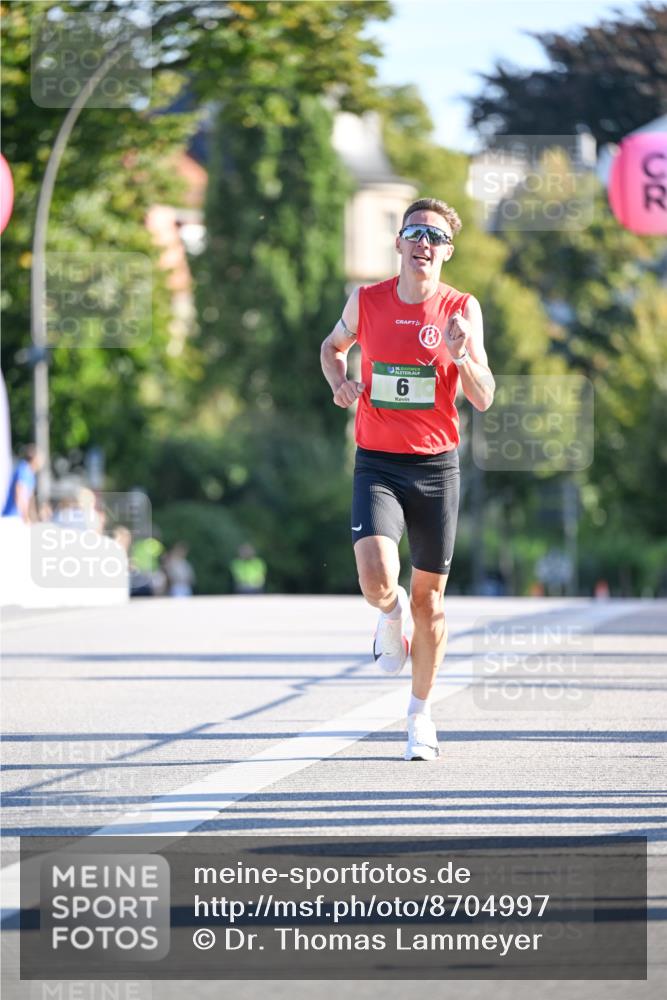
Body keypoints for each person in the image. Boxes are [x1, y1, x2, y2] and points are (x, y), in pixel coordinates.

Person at [320, 198, 495, 761]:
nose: (425, 243)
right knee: (376, 577)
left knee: (433, 603)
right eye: (416, 232)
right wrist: (340, 381)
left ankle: (420, 718)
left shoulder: (461, 309)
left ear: (447, 251)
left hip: (437, 469)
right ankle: (387, 617)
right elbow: (331, 348)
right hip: (377, 461)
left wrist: (461, 354)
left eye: (436, 237)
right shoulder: (366, 300)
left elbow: (484, 397)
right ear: (398, 243)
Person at [1, 444, 43, 523]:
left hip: (18, 517)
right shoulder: (24, 470)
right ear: (35, 458)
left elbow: (29, 499)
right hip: (12, 518)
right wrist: (25, 516)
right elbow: (19, 494)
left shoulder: (30, 474)